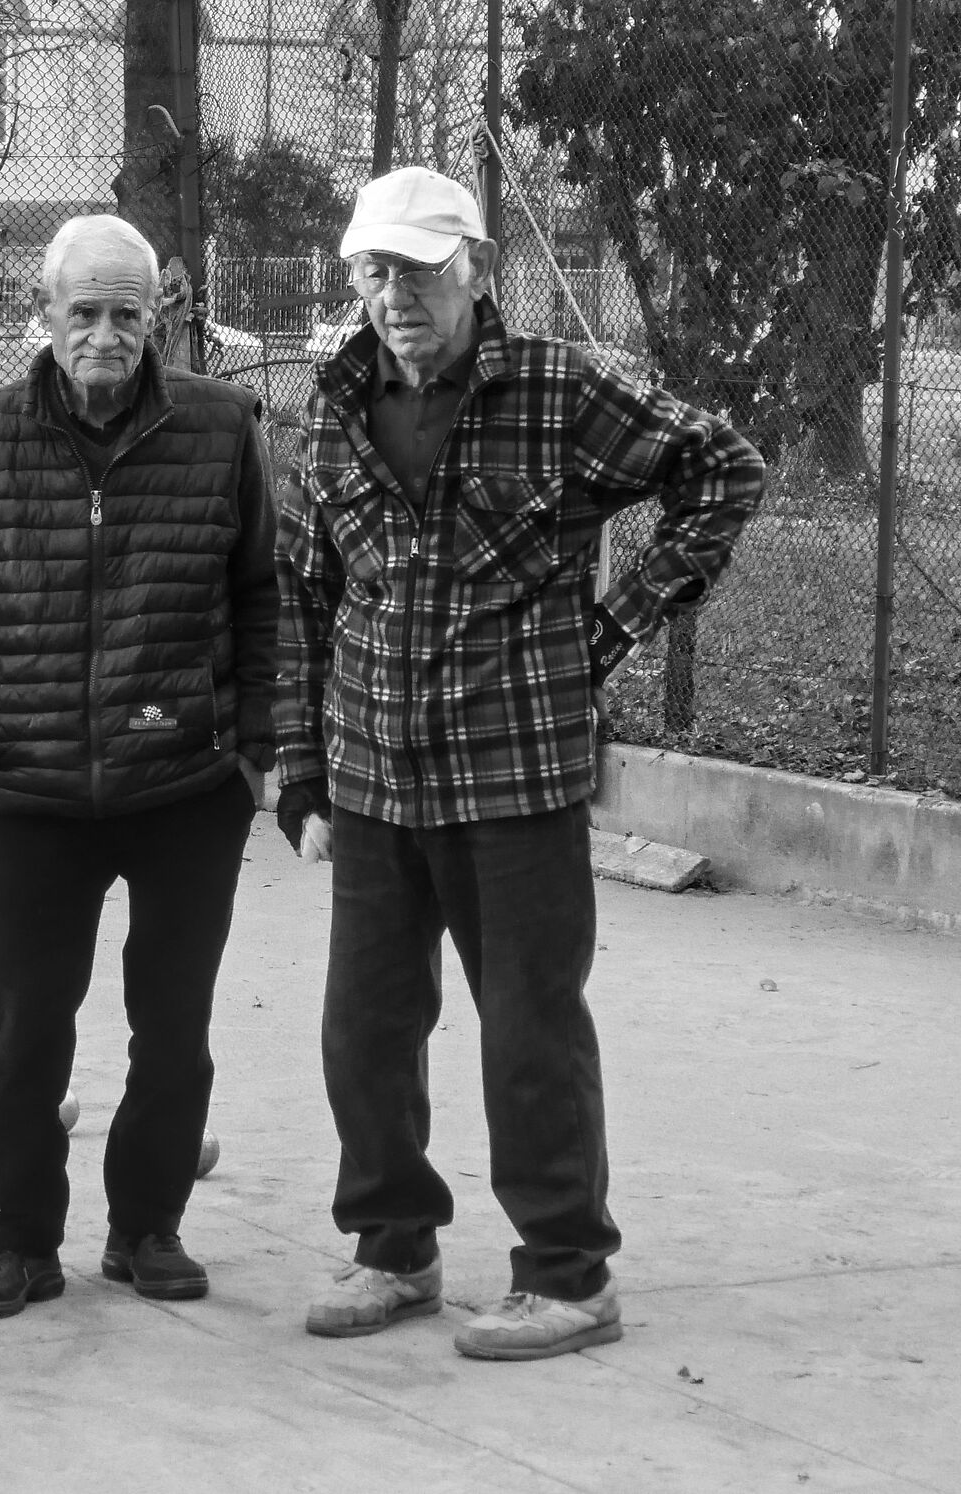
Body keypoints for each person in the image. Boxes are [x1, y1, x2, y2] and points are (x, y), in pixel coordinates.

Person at [277, 167, 766, 1359]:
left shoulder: (558, 389)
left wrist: (611, 628)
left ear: (477, 272)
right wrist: (299, 768)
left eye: (419, 270)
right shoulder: (329, 405)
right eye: (373, 271)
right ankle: (393, 1248)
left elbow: (723, 469)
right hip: (375, 773)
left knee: (530, 1027)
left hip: (515, 772)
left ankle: (567, 1274)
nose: (393, 295)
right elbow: (304, 593)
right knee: (364, 1026)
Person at [0, 215, 278, 1320]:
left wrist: (261, 747)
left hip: (185, 784)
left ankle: (146, 1228)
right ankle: (19, 1243)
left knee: (172, 1026)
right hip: (36, 783)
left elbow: (263, 596)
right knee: (24, 1029)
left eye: (130, 313)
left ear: (159, 317)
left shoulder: (224, 427)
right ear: (45, 314)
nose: (108, 334)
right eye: (86, 313)